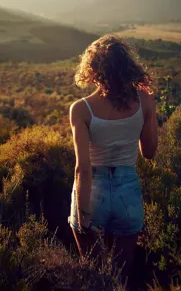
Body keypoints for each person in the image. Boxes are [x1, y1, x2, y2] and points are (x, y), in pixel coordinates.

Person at [67, 34, 158, 281]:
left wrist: (84, 216)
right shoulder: (145, 98)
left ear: (92, 69)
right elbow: (149, 152)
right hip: (127, 191)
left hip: (92, 191)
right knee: (122, 275)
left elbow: (82, 169)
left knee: (93, 273)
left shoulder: (81, 109)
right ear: (128, 65)